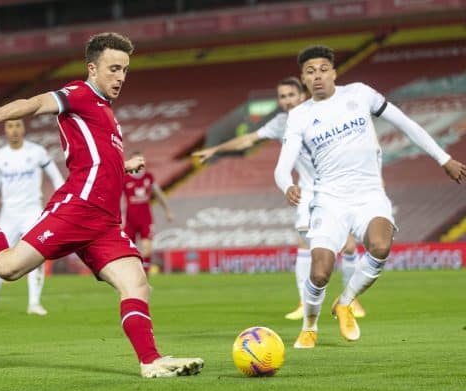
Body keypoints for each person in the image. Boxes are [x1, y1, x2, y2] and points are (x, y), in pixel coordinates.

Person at [0, 32, 203, 378]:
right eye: (114, 69)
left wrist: (122, 166)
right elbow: (36, 103)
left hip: (106, 222)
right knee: (7, 268)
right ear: (92, 68)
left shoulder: (107, 113)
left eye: (125, 70)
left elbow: (96, 157)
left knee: (138, 283)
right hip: (77, 207)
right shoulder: (79, 94)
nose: (120, 77)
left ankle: (150, 362)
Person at [273, 45, 465, 349]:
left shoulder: (360, 94)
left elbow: (405, 123)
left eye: (323, 69)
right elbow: (282, 167)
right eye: (311, 72)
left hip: (368, 194)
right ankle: (310, 326)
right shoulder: (299, 116)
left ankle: (346, 302)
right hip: (329, 200)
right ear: (304, 80)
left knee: (380, 244)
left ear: (334, 72)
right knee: (320, 272)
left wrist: (443, 159)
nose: (318, 76)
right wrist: (287, 186)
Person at [192, 77, 365, 321]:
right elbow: (249, 139)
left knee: (347, 245)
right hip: (306, 191)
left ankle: (351, 299)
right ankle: (304, 303)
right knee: (304, 244)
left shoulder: (324, 114)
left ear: (302, 96)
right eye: (282, 97)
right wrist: (216, 149)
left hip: (337, 188)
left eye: (290, 95)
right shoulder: (281, 122)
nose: (286, 101)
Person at [0, 119, 64, 316]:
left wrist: (64, 198)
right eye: (10, 126)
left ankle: (34, 303)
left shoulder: (37, 152)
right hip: (9, 214)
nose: (14, 130)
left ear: (24, 128)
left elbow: (56, 177)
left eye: (17, 125)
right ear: (5, 130)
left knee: (35, 257)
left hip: (32, 212)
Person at [123, 151, 173, 274]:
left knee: (147, 249)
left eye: (142, 160)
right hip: (130, 219)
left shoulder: (148, 177)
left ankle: (144, 278)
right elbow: (117, 198)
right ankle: (130, 276)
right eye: (138, 160)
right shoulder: (125, 178)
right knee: (128, 251)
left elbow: (159, 195)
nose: (141, 163)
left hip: (146, 218)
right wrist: (119, 217)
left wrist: (168, 210)